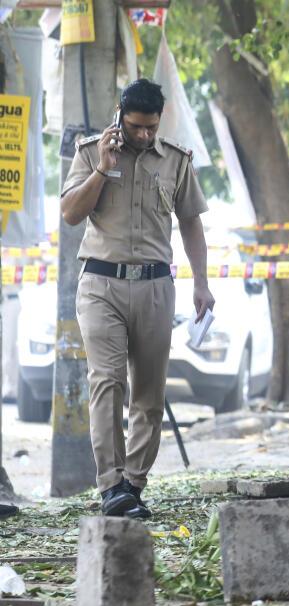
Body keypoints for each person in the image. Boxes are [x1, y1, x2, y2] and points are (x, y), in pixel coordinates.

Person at [60, 79, 213, 519]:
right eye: (135, 127)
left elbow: (190, 223)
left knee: (149, 391)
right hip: (101, 285)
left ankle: (132, 483)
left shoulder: (177, 161)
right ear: (119, 116)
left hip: (154, 287)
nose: (143, 135)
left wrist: (201, 282)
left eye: (150, 127)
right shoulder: (91, 151)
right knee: (107, 380)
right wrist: (102, 169)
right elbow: (71, 214)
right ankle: (110, 485)